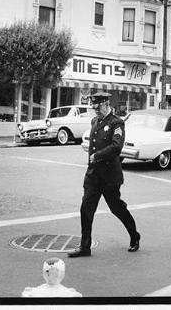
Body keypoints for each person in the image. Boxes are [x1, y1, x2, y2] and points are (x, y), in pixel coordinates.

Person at [68, 92, 140, 258]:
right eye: (94, 107)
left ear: (107, 104)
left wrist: (97, 156)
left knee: (117, 208)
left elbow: (116, 147)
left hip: (110, 177)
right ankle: (85, 247)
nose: (96, 110)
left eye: (98, 107)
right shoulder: (95, 121)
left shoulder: (117, 123)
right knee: (86, 209)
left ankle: (134, 236)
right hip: (93, 176)